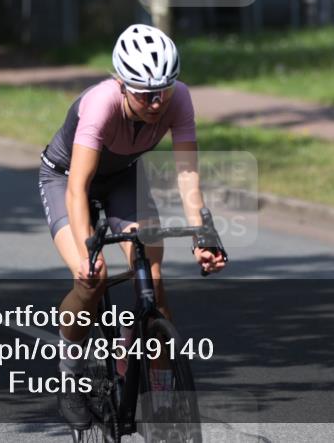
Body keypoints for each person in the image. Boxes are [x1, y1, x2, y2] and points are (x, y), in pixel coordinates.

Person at [38, 24, 227, 428]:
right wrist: (89, 251)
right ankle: (69, 376)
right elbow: (77, 188)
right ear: (121, 84)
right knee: (92, 279)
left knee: (154, 281)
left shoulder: (180, 100)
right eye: (144, 93)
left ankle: (158, 395)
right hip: (66, 178)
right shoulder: (100, 105)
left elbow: (187, 175)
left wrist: (203, 235)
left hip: (124, 178)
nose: (156, 102)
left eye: (164, 90)